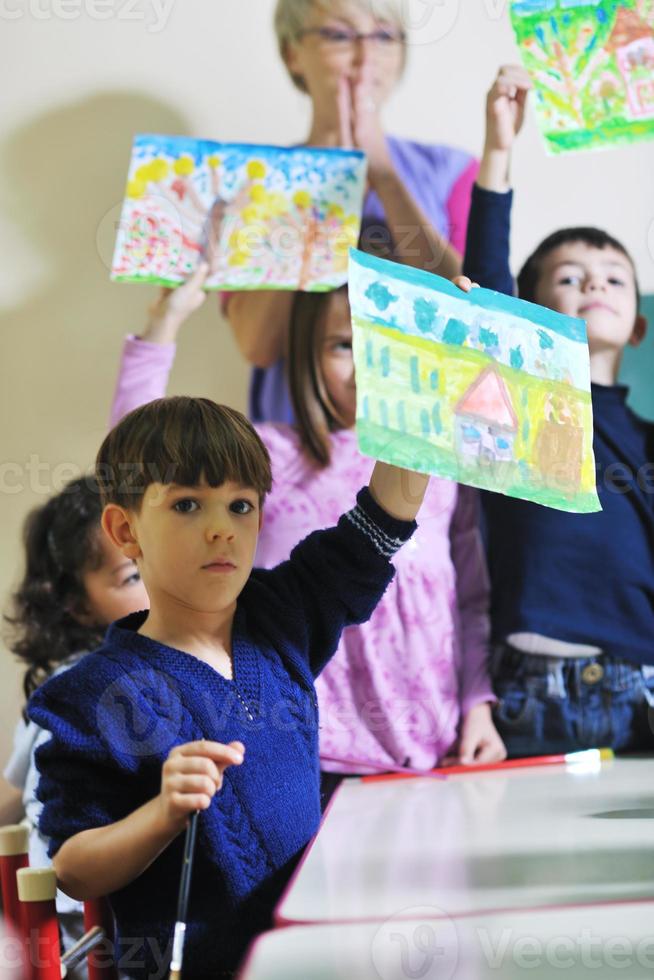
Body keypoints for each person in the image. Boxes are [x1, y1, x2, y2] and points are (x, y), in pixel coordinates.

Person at [29, 395, 432, 978]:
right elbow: (72, 866)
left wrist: (425, 401)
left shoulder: (281, 614)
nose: (221, 530)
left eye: (240, 505)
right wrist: (163, 812)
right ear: (125, 528)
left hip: (312, 959)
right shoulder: (96, 692)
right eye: (188, 504)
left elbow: (378, 526)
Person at [110, 268, 506, 786]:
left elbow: (471, 599)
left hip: (429, 753)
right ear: (307, 357)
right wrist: (165, 321)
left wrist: (478, 704)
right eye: (344, 345)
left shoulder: (443, 467)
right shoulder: (269, 456)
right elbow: (139, 464)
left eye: (386, 346)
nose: (368, 365)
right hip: (306, 758)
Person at [461, 65, 654, 756]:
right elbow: (482, 289)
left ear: (637, 326)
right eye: (570, 278)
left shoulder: (645, 437)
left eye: (613, 279)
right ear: (532, 310)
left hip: (645, 685)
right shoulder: (517, 398)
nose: (594, 284)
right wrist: (500, 151)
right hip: (538, 684)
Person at [225, 0, 479, 424]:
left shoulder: (451, 171)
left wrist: (383, 174)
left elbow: (475, 319)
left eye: (383, 36)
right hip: (298, 448)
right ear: (293, 53)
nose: (365, 57)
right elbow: (257, 343)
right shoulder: (253, 180)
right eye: (340, 36)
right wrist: (324, 182)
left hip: (424, 439)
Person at [2, 476, 148, 973]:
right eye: (132, 576)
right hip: (84, 928)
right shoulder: (80, 686)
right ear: (78, 604)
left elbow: (9, 793)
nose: (158, 582)